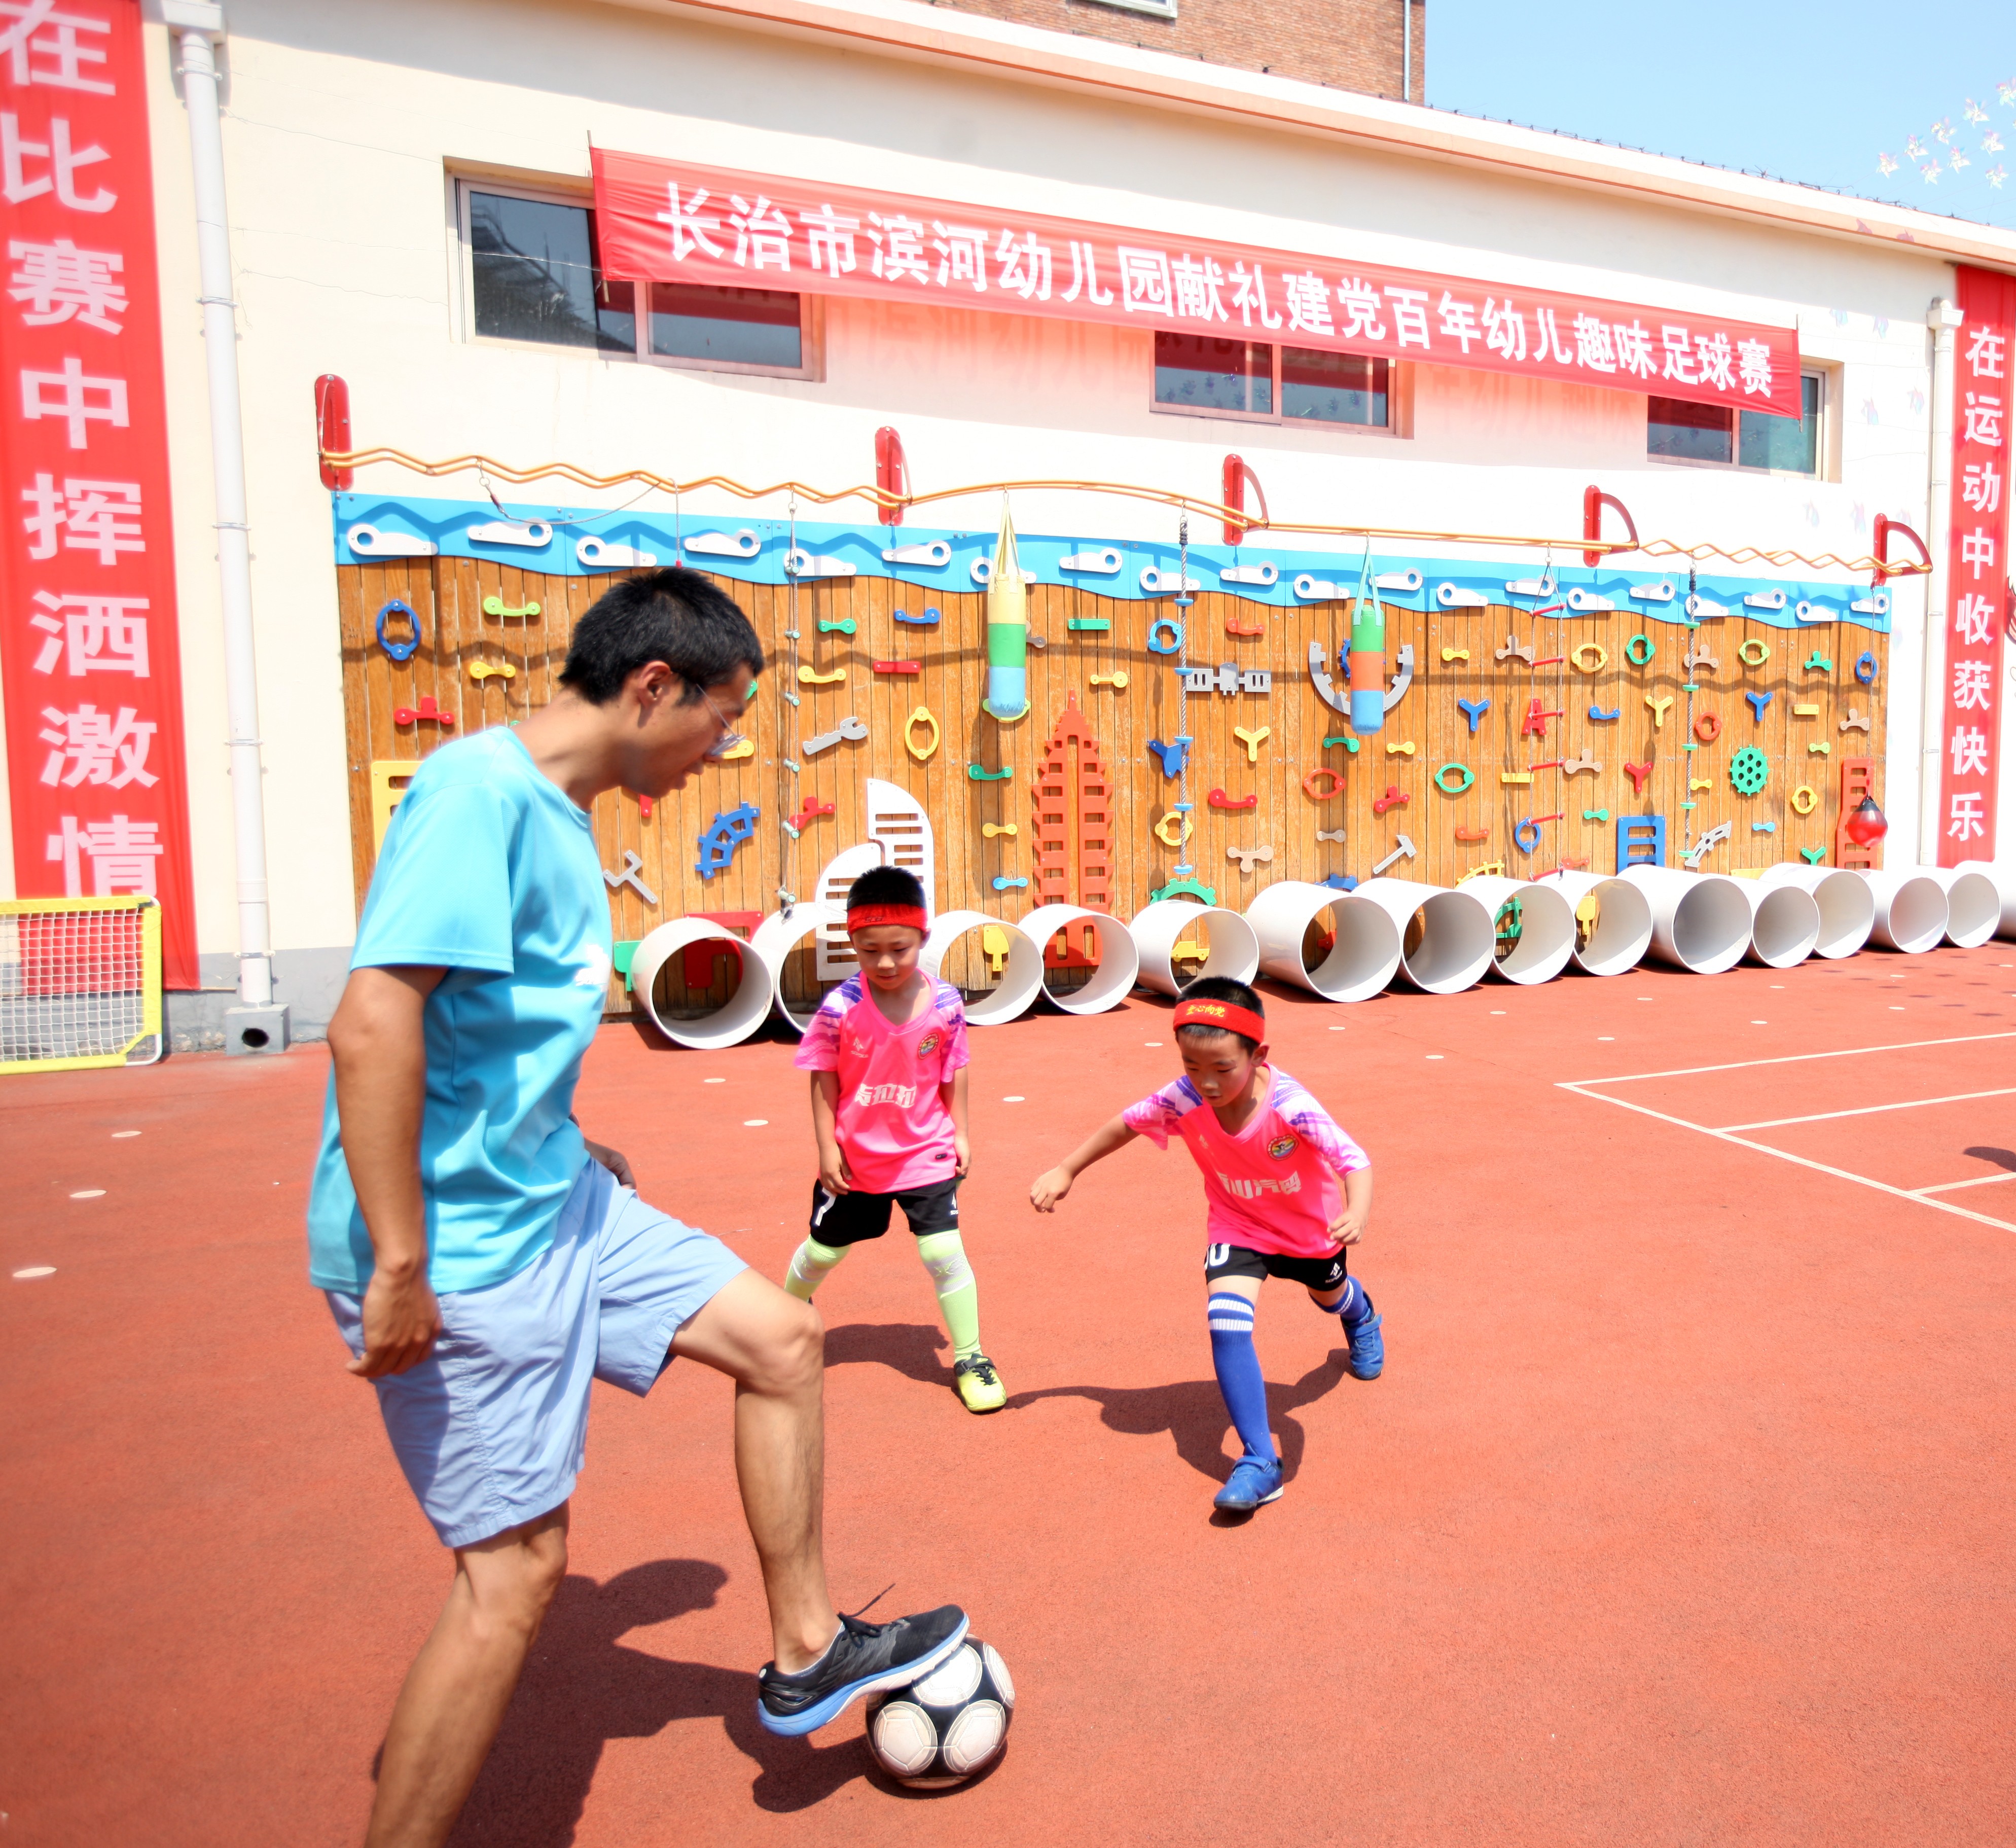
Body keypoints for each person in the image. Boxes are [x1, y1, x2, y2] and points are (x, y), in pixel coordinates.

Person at [309, 568, 963, 1847]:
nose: (719, 750)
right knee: (513, 1579)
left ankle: (806, 1648)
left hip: (550, 1195)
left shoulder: (560, 810)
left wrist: (561, 1135)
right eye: (717, 720)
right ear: (651, 685)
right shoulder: (476, 794)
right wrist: (397, 1258)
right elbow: (374, 1017)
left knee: (780, 1338)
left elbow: (473, 1032)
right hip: (461, 1248)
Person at [1027, 976, 1380, 1514]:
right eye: (1192, 1066)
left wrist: (1354, 1211)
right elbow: (1123, 1125)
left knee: (1330, 1296)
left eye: (1221, 1068)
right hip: (1237, 1226)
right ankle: (1260, 1460)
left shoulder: (1292, 1104)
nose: (1206, 1082)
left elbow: (1353, 1159)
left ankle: (1359, 1316)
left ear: (1257, 1054)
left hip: (1310, 1232)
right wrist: (1066, 1167)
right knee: (1225, 1321)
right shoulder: (1183, 1097)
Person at [782, 864, 1003, 1413]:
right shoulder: (840, 1008)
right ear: (852, 942)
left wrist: (961, 1131)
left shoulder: (947, 1002)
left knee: (942, 1249)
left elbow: (956, 1068)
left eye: (899, 949)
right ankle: (780, 1317)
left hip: (926, 1150)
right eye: (869, 948)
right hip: (857, 1159)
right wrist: (826, 1146)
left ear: (922, 938)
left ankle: (971, 1356)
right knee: (823, 1251)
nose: (884, 962)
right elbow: (822, 1074)